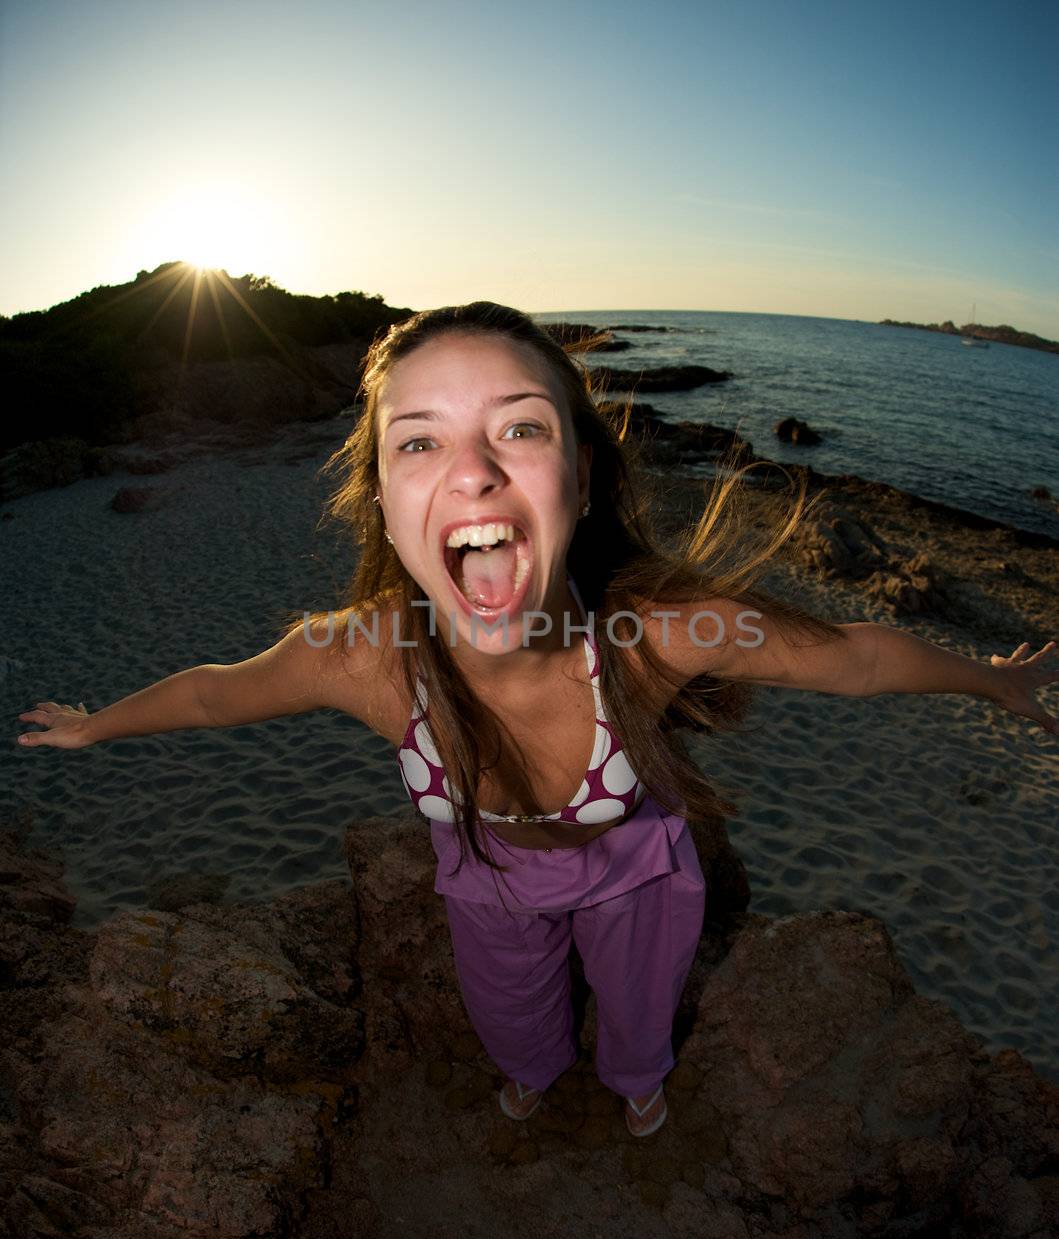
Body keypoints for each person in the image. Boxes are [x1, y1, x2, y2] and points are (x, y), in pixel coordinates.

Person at [16, 301, 1058, 1139]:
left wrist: (994, 682)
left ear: (585, 475)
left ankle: (638, 1076)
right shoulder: (364, 657)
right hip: (488, 877)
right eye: (418, 442)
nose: (472, 470)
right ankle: (534, 1070)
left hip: (632, 867)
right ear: (383, 498)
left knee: (641, 1004)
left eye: (519, 426)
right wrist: (96, 724)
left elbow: (860, 657)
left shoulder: (655, 632)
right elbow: (212, 689)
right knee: (512, 1014)